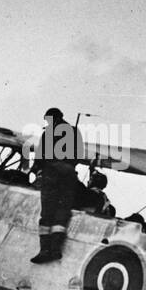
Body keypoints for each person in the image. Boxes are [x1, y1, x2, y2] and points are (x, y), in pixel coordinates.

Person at [29, 107, 84, 263]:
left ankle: (45, 250)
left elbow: (40, 156)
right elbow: (78, 155)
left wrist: (37, 169)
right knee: (62, 213)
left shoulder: (49, 132)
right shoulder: (74, 131)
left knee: (47, 215)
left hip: (51, 176)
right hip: (68, 176)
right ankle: (56, 248)